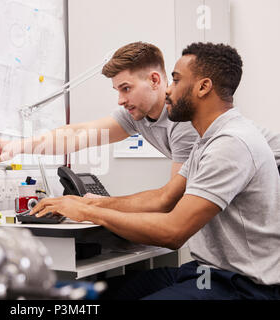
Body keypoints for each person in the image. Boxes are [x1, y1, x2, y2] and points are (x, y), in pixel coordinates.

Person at [30, 43, 280, 299]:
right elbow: (163, 198)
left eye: (176, 79)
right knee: (92, 295)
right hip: (205, 273)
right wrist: (93, 205)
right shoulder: (207, 140)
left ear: (203, 87)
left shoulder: (230, 143)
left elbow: (173, 232)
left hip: (243, 286)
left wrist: (87, 212)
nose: (168, 90)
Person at [0, 42, 280, 182]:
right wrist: (16, 146)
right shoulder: (137, 115)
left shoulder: (183, 120)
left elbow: (172, 199)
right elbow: (77, 135)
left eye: (125, 88)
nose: (120, 100)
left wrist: (94, 209)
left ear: (155, 80)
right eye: (117, 91)